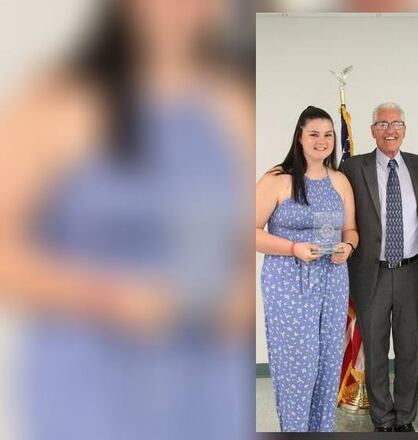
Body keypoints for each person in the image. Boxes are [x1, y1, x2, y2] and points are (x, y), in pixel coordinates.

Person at [0, 1, 254, 439]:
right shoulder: (57, 101)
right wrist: (106, 296)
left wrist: (244, 296)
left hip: (213, 382)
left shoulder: (235, 101)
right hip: (91, 384)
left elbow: (252, 241)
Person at [256, 105, 358, 432]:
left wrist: (349, 247)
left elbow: (351, 231)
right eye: (314, 134)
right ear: (299, 137)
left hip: (332, 279)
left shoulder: (340, 181)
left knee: (328, 363)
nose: (322, 141)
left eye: (328, 134)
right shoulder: (277, 179)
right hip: (287, 280)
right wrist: (292, 248)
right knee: (297, 366)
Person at [339, 102, 418, 432]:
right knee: (376, 350)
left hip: (411, 272)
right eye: (382, 123)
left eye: (396, 123)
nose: (390, 129)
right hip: (370, 273)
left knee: (409, 350)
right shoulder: (353, 167)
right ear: (371, 130)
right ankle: (382, 418)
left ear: (405, 129)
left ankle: (405, 418)